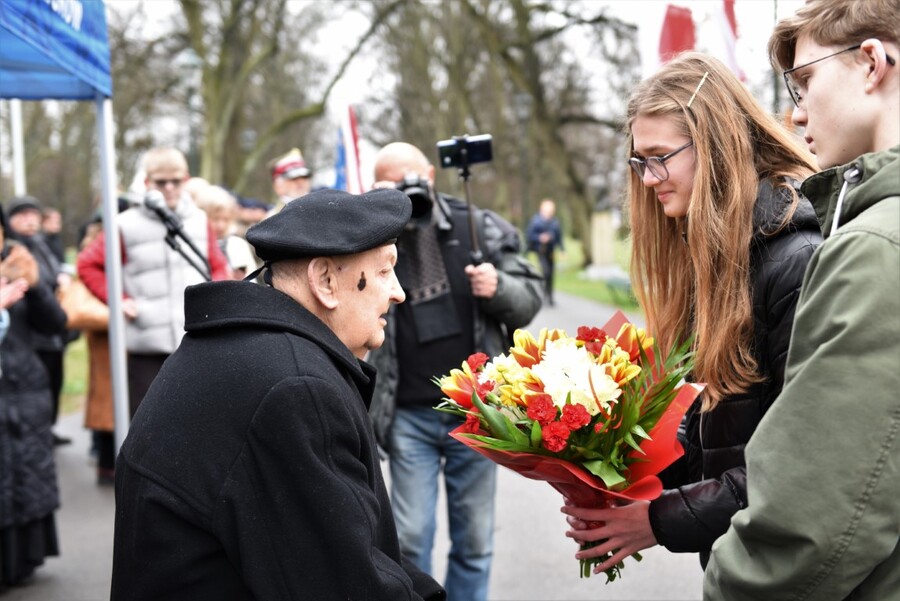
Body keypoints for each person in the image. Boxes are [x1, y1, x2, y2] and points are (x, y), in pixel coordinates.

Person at [110, 188, 445, 601]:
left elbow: (354, 544)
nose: (399, 292)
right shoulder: (293, 391)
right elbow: (346, 586)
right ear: (325, 280)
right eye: (383, 271)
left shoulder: (248, 351)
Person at [561, 52, 823, 574]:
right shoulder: (718, 258)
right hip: (742, 564)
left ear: (715, 145)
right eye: (638, 161)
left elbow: (801, 469)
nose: (648, 178)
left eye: (659, 156)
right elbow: (717, 436)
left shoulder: (794, 262)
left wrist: (656, 521)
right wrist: (614, 479)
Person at [705, 2, 900, 598]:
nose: (795, 110)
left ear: (871, 62)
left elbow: (810, 528)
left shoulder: (874, 247)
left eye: (806, 79)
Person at [368, 142, 543, 601]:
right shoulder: (370, 238)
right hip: (407, 414)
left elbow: (528, 299)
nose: (407, 192)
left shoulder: (478, 226)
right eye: (390, 184)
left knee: (475, 541)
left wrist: (499, 286)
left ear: (430, 172)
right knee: (409, 539)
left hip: (478, 412)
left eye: (411, 179)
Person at [77, 147, 229, 418]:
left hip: (195, 339)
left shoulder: (199, 220)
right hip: (146, 347)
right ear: (147, 182)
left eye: (176, 180)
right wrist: (119, 299)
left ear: (186, 179)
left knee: (198, 424)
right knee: (147, 426)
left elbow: (217, 266)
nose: (169, 188)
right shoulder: (124, 224)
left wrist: (214, 301)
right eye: (161, 181)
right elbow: (88, 264)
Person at [0, 206, 67, 587]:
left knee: (27, 474)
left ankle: (24, 559)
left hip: (26, 384)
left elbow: (55, 323)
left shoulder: (16, 258)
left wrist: (36, 283)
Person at [5, 195, 72, 445]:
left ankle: (48, 429)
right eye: (22, 215)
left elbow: (52, 271)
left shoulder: (41, 245)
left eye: (33, 214)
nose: (29, 220)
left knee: (53, 384)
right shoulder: (13, 250)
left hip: (52, 329)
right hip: (32, 336)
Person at [194, 184, 258, 279]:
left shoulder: (237, 245)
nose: (221, 225)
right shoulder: (196, 242)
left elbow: (251, 281)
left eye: (226, 219)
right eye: (215, 219)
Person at [525, 198, 563, 305]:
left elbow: (559, 236)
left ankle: (550, 297)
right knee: (545, 272)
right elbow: (529, 235)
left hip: (550, 251)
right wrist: (540, 237)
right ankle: (543, 295)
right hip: (540, 250)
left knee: (551, 274)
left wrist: (562, 248)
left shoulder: (555, 221)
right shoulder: (535, 221)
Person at [267, 147, 312, 213]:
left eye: (304, 177)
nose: (300, 182)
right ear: (278, 186)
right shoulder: (271, 218)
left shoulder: (322, 210)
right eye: (293, 178)